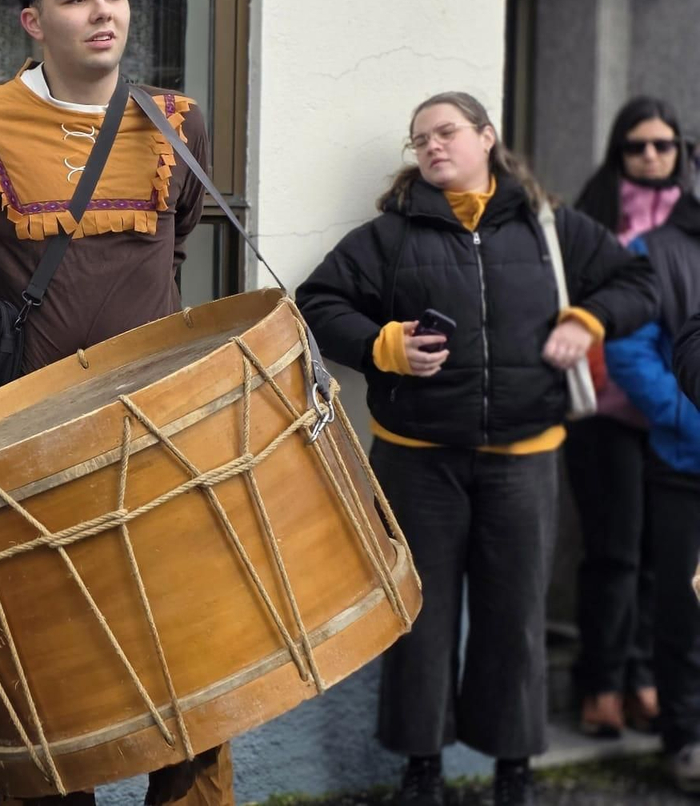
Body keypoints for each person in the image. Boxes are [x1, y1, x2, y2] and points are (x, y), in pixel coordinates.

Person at [0, 0, 229, 806]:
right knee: (41, 655)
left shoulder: (175, 123)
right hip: (28, 441)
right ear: (33, 21)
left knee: (187, 650)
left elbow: (175, 232)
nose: (102, 11)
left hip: (158, 427)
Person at [296, 92, 657, 806]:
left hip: (524, 456)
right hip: (416, 458)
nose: (432, 146)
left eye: (447, 132)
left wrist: (588, 320)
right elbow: (317, 304)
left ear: (487, 137)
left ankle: (513, 768)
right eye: (419, 138)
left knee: (514, 614)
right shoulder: (390, 236)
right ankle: (421, 767)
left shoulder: (550, 228)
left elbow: (637, 282)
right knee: (421, 615)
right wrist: (384, 345)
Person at [564, 96, 693, 738]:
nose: (650, 155)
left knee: (658, 558)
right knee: (612, 552)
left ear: (680, 152)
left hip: (673, 424)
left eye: (662, 145)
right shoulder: (593, 217)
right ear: (618, 151)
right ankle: (600, 680)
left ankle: (644, 677)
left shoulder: (688, 223)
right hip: (607, 412)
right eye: (636, 145)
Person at [601, 104, 700, 791]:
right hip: (685, 460)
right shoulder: (655, 250)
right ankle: (686, 736)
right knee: (684, 609)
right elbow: (633, 354)